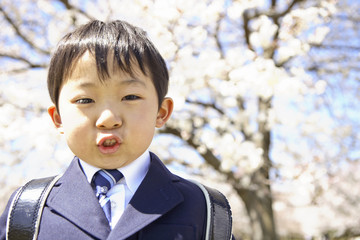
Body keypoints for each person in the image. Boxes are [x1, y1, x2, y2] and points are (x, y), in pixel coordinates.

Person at [0, 20, 231, 239]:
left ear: (161, 112)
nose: (108, 119)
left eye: (130, 96)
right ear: (58, 118)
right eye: (84, 100)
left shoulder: (205, 207)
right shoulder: (28, 208)